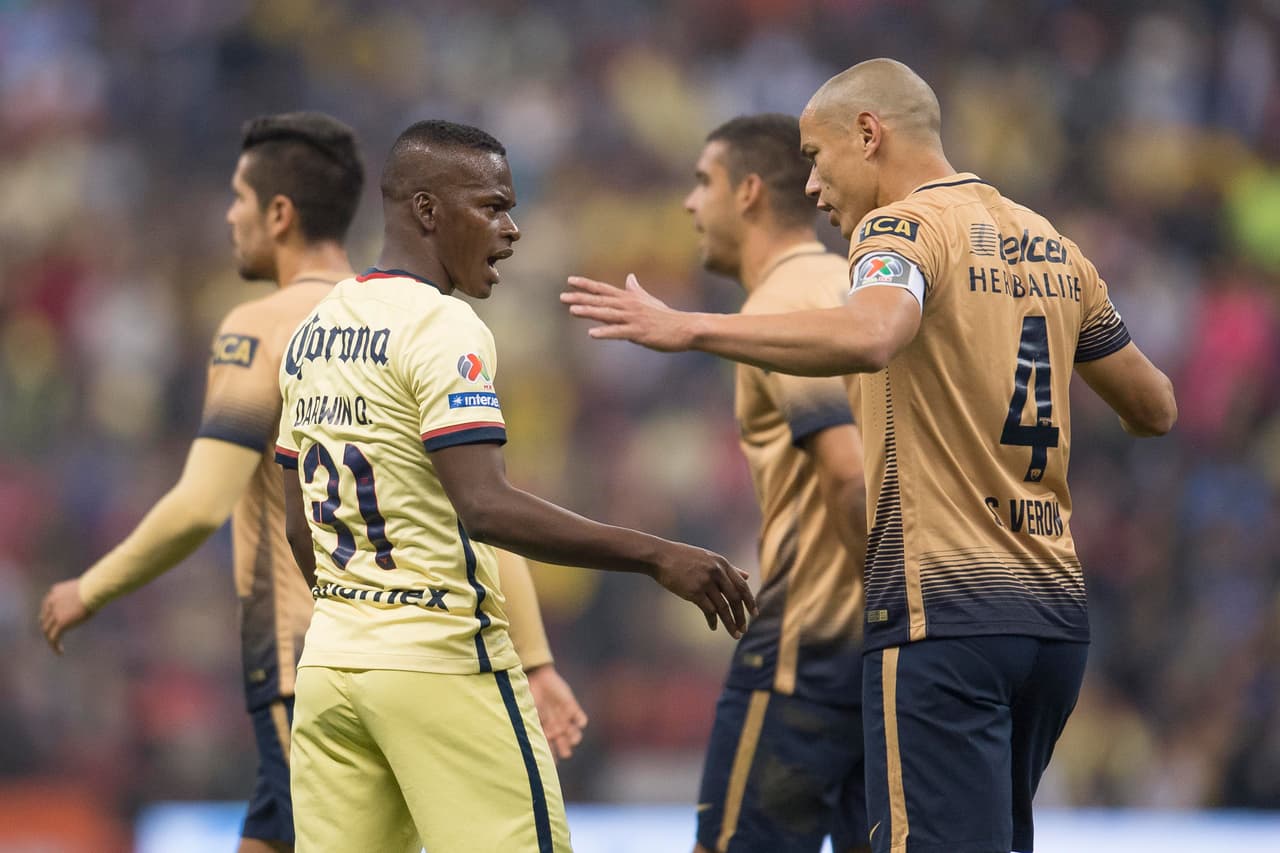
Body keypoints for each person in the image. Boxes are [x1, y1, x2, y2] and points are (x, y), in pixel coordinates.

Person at [563, 59, 1177, 853]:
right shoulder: (1052, 244)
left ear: (868, 134)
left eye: (816, 158)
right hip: (1052, 618)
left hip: (941, 614)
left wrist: (690, 328)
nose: (811, 186)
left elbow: (874, 332)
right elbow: (1154, 407)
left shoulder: (900, 229)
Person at [37, 112, 585, 853]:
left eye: (238, 198)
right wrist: (537, 657)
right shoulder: (406, 318)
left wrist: (90, 588)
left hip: (316, 655)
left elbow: (201, 504)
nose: (229, 215)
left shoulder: (277, 330)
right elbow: (473, 515)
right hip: (424, 651)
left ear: (280, 213)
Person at [274, 118, 756, 853]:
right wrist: (658, 555)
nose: (512, 229)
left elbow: (297, 525)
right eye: (493, 206)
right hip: (442, 662)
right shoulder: (442, 327)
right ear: (428, 210)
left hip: (332, 670)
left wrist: (364, 616)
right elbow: (485, 505)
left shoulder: (313, 332)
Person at [678, 114, 869, 853]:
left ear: (749, 192)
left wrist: (886, 596)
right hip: (893, 658)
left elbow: (847, 473)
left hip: (806, 654)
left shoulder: (783, 306)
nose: (691, 203)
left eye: (704, 182)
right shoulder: (864, 287)